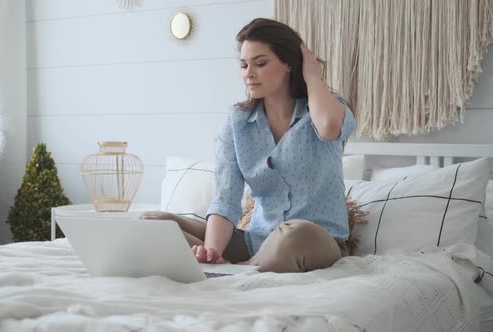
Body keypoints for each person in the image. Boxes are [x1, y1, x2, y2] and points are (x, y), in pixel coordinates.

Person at [141, 18, 355, 273]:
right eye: (244, 65)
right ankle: (223, 266)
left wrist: (312, 76)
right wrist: (212, 251)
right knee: (153, 222)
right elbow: (225, 200)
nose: (248, 74)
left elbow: (330, 128)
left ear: (289, 63)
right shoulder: (237, 123)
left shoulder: (325, 108)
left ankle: (237, 271)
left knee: (294, 233)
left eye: (260, 63)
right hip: (254, 242)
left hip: (313, 241)